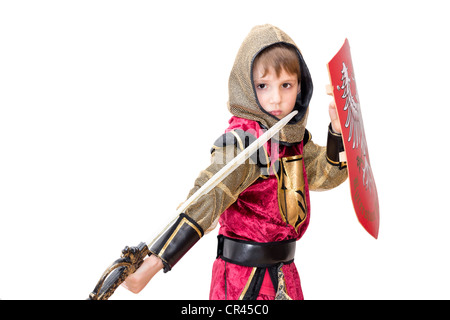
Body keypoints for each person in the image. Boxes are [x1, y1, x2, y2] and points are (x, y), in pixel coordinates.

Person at [121, 24, 348, 300]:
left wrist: (338, 131)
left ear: (300, 87)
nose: (276, 98)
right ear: (246, 86)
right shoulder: (242, 142)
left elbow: (326, 174)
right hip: (243, 283)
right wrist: (152, 265)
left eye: (286, 85)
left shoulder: (293, 139)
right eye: (263, 86)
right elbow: (208, 196)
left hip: (284, 277)